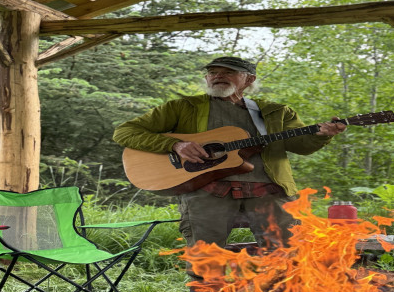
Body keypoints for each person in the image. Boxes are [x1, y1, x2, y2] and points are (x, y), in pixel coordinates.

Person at [113, 56, 345, 250]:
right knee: (205, 260)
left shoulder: (276, 112)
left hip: (268, 191)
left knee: (286, 255)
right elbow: (125, 132)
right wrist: (175, 145)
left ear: (249, 79)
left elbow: (301, 147)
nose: (218, 76)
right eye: (213, 72)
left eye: (229, 72)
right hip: (207, 191)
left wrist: (323, 134)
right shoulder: (183, 107)